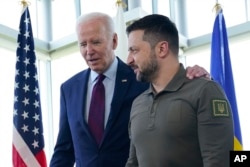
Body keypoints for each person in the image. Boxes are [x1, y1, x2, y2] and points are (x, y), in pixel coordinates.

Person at [49, 12, 211, 167]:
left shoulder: (142, 78)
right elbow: (64, 149)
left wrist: (194, 76)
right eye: (83, 44)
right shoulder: (69, 89)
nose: (89, 51)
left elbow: (173, 82)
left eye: (96, 42)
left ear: (114, 41)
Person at [125, 14, 234, 167]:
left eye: (134, 50)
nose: (128, 59)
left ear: (162, 49)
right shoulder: (138, 103)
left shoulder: (205, 91)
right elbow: (133, 162)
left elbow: (219, 162)